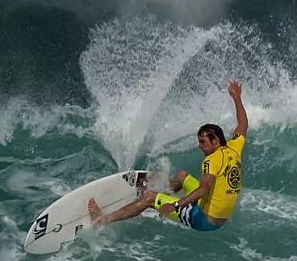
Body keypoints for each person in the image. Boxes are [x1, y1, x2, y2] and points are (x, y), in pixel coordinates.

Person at [91, 79, 249, 231]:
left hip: (204, 218)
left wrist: (175, 205)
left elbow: (203, 190)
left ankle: (103, 220)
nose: (200, 146)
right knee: (181, 176)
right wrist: (236, 97)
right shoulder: (233, 147)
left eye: (203, 142)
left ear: (215, 141)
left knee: (149, 198)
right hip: (217, 212)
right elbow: (243, 124)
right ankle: (163, 193)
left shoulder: (211, 161)